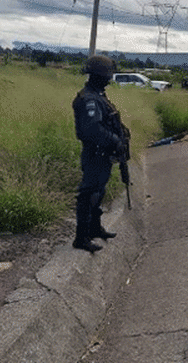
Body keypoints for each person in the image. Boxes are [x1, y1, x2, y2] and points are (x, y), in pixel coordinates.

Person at [71, 55, 128, 253]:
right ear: (97, 76)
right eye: (107, 75)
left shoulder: (98, 95)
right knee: (89, 194)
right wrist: (115, 141)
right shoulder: (90, 100)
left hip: (102, 155)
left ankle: (94, 228)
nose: (109, 79)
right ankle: (81, 237)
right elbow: (92, 130)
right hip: (95, 154)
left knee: (99, 192)